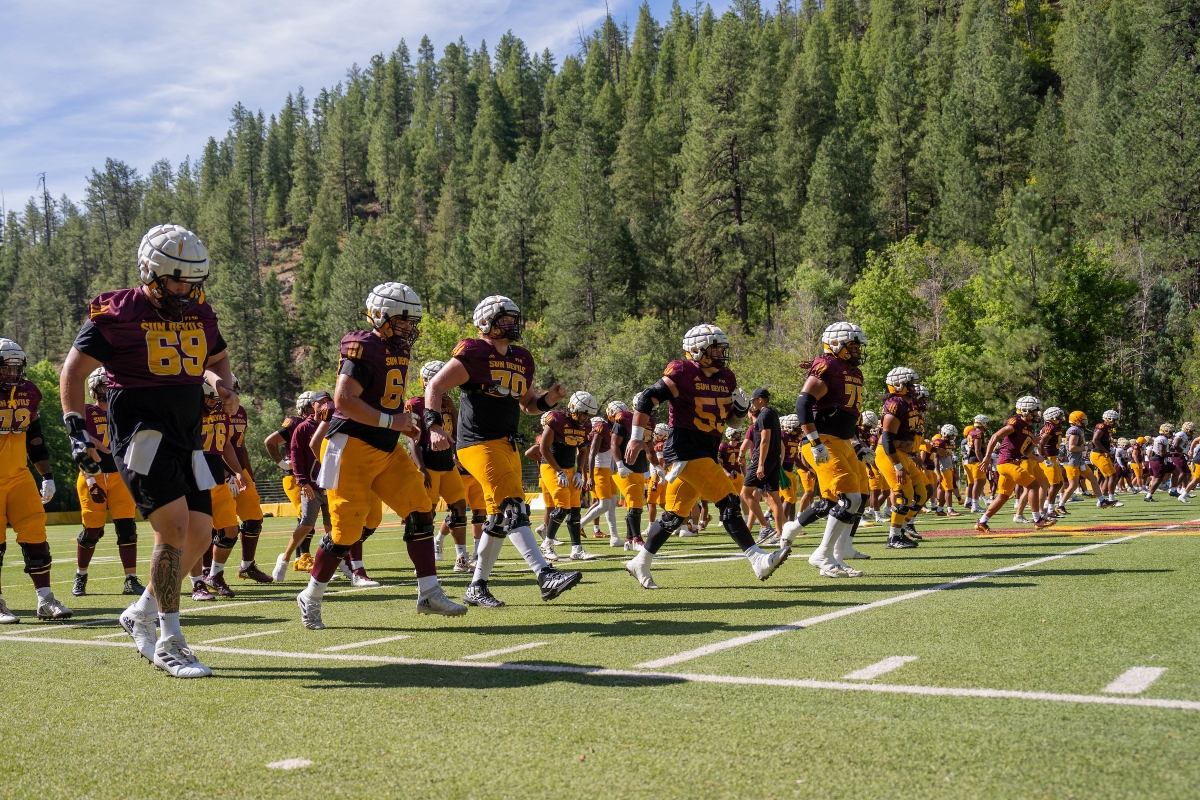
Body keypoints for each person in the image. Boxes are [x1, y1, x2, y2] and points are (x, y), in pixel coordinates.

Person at [62, 224, 236, 677]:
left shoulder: (200, 311)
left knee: (200, 535)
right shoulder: (120, 311)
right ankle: (170, 639)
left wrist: (222, 383)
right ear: (150, 272)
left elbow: (215, 357)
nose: (185, 289)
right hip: (142, 434)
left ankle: (139, 611)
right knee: (173, 529)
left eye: (192, 280)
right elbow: (74, 372)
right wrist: (75, 427)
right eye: (176, 279)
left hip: (188, 434)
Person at [296, 282, 465, 629]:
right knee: (344, 534)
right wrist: (393, 420)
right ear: (380, 315)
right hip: (351, 448)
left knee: (420, 509)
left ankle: (429, 592)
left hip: (386, 448)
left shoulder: (396, 349)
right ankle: (311, 595)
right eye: (403, 320)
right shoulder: (364, 346)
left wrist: (400, 426)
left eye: (411, 321)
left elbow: (383, 399)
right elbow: (344, 400)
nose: (408, 327)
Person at [424, 295, 581, 608]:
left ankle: (477, 586)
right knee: (513, 506)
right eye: (504, 319)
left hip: (507, 443)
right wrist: (433, 426)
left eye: (513, 319)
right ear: (485, 322)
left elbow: (528, 404)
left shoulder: (521, 357)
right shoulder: (474, 351)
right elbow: (435, 387)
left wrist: (550, 399)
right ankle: (544, 574)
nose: (511, 324)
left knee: (498, 519)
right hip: (477, 443)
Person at [623, 324, 783, 589]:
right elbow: (646, 399)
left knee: (674, 514)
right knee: (728, 501)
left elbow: (731, 422)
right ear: (697, 350)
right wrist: (636, 436)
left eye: (722, 348)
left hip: (707, 448)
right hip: (685, 449)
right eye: (715, 348)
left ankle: (640, 561)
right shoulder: (682, 372)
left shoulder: (726, 377)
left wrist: (741, 412)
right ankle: (757, 559)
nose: (721, 353)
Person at [779, 323, 872, 574]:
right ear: (835, 345)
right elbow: (803, 404)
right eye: (851, 346)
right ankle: (822, 555)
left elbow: (846, 416)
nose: (856, 351)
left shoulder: (854, 372)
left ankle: (833, 554)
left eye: (857, 346)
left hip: (842, 442)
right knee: (849, 498)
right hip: (824, 441)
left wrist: (857, 444)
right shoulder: (827, 365)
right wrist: (814, 441)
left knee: (847, 499)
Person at [0, 338, 68, 624]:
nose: (12, 375)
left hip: (18, 475)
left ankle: (45, 599)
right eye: (6, 369)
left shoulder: (29, 392)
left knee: (36, 535)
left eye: (16, 369)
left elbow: (35, 439)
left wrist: (47, 475)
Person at [71, 366, 144, 598]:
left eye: (111, 385)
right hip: (92, 475)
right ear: (94, 389)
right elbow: (80, 443)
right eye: (105, 385)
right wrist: (92, 477)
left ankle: (131, 579)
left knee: (127, 529)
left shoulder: (122, 411)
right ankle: (81, 576)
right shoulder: (85, 411)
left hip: (120, 477)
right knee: (92, 530)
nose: (109, 389)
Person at [408, 360, 473, 574]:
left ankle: (461, 557)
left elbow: (456, 431)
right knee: (427, 513)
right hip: (428, 462)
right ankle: (425, 560)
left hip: (447, 462)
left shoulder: (447, 404)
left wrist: (457, 454)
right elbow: (412, 438)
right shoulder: (416, 403)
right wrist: (421, 468)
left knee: (460, 508)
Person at [271, 392, 334, 582]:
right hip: (308, 481)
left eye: (327, 403)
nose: (324, 407)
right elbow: (291, 452)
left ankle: (335, 564)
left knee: (333, 526)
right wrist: (289, 469)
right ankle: (291, 557)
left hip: (329, 482)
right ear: (311, 406)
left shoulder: (334, 422)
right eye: (319, 403)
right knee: (306, 522)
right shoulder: (299, 426)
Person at [197, 380, 249, 598]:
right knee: (197, 535)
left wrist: (237, 471)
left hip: (217, 476)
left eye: (215, 398)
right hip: (195, 476)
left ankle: (215, 575)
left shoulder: (221, 412)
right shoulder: (188, 414)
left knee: (230, 529)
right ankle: (196, 583)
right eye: (209, 398)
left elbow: (225, 444)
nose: (213, 402)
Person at [975, 396, 1055, 532]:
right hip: (1006, 463)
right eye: (1034, 412)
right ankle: (1038, 520)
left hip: (1011, 463)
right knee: (1034, 486)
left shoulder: (1029, 428)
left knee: (1003, 496)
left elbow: (1024, 450)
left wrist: (1036, 455)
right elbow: (995, 436)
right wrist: (987, 457)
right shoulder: (1016, 423)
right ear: (1025, 411)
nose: (1037, 415)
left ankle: (982, 522)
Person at [540, 392, 600, 561]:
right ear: (574, 408)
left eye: (588, 415)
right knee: (561, 507)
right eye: (583, 413)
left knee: (575, 509)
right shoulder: (557, 420)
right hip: (551, 466)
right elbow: (544, 449)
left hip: (569, 469)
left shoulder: (586, 427)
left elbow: (583, 450)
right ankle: (547, 544)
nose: (585, 418)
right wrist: (559, 471)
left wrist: (580, 471)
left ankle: (577, 549)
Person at [225, 377, 271, 583]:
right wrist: (225, 474)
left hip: (239, 471)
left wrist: (248, 475)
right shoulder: (206, 412)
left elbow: (240, 446)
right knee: (214, 526)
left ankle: (247, 566)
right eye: (228, 389)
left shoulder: (241, 411)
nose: (232, 393)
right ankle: (207, 573)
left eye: (234, 388)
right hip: (214, 472)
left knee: (254, 518)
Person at [264, 393, 313, 569]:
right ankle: (302, 558)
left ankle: (302, 557)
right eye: (317, 404)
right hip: (295, 477)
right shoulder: (295, 424)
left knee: (307, 518)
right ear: (307, 407)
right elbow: (270, 442)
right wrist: (282, 463)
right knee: (306, 517)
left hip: (311, 477)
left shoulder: (321, 424)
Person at [610, 396, 662, 552]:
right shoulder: (624, 419)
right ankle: (637, 539)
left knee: (635, 503)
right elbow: (614, 443)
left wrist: (657, 466)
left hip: (639, 467)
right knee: (635, 501)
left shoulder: (650, 423)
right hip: (623, 467)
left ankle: (628, 539)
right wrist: (619, 464)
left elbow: (650, 448)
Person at [743, 388, 785, 547]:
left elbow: (765, 440)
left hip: (764, 459)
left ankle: (765, 526)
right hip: (774, 459)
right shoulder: (772, 414)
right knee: (774, 497)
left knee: (745, 493)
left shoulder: (764, 415)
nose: (752, 403)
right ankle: (780, 533)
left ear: (760, 399)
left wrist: (760, 463)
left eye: (753, 400)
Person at [580, 411, 619, 546]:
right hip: (598, 470)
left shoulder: (610, 428)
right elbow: (590, 455)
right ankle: (578, 525)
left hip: (608, 470)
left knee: (612, 501)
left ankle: (614, 536)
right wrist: (589, 476)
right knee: (603, 504)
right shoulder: (600, 429)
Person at [1090, 410, 1123, 508]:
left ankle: (1102, 501)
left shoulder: (1106, 428)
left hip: (1100, 454)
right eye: (1115, 420)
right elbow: (1095, 440)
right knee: (1112, 475)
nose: (1116, 422)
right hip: (1098, 454)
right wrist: (1106, 451)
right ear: (1110, 419)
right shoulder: (1102, 426)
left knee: (1108, 477)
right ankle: (1112, 500)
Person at [964, 416, 989, 512]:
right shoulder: (979, 433)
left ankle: (974, 503)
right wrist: (983, 462)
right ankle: (974, 505)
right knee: (977, 483)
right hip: (976, 460)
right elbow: (978, 450)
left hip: (972, 460)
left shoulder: (972, 432)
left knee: (981, 482)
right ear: (982, 423)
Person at [1145, 424, 1175, 501]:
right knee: (1158, 478)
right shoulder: (1162, 439)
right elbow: (1162, 453)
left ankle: (1173, 490)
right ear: (1166, 432)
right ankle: (1148, 496)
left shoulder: (1163, 438)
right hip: (1157, 460)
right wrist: (1173, 454)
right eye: (1171, 432)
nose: (1172, 434)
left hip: (1161, 459)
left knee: (1176, 471)